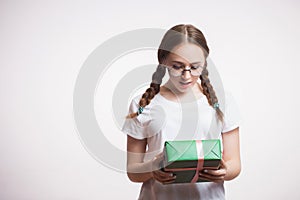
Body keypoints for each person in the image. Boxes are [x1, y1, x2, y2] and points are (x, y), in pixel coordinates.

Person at [122, 24, 241, 200]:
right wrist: (153, 168)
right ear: (163, 62)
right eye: (177, 67)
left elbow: (234, 164)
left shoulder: (223, 101)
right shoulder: (143, 104)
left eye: (194, 67)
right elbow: (133, 171)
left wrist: (224, 171)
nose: (186, 76)